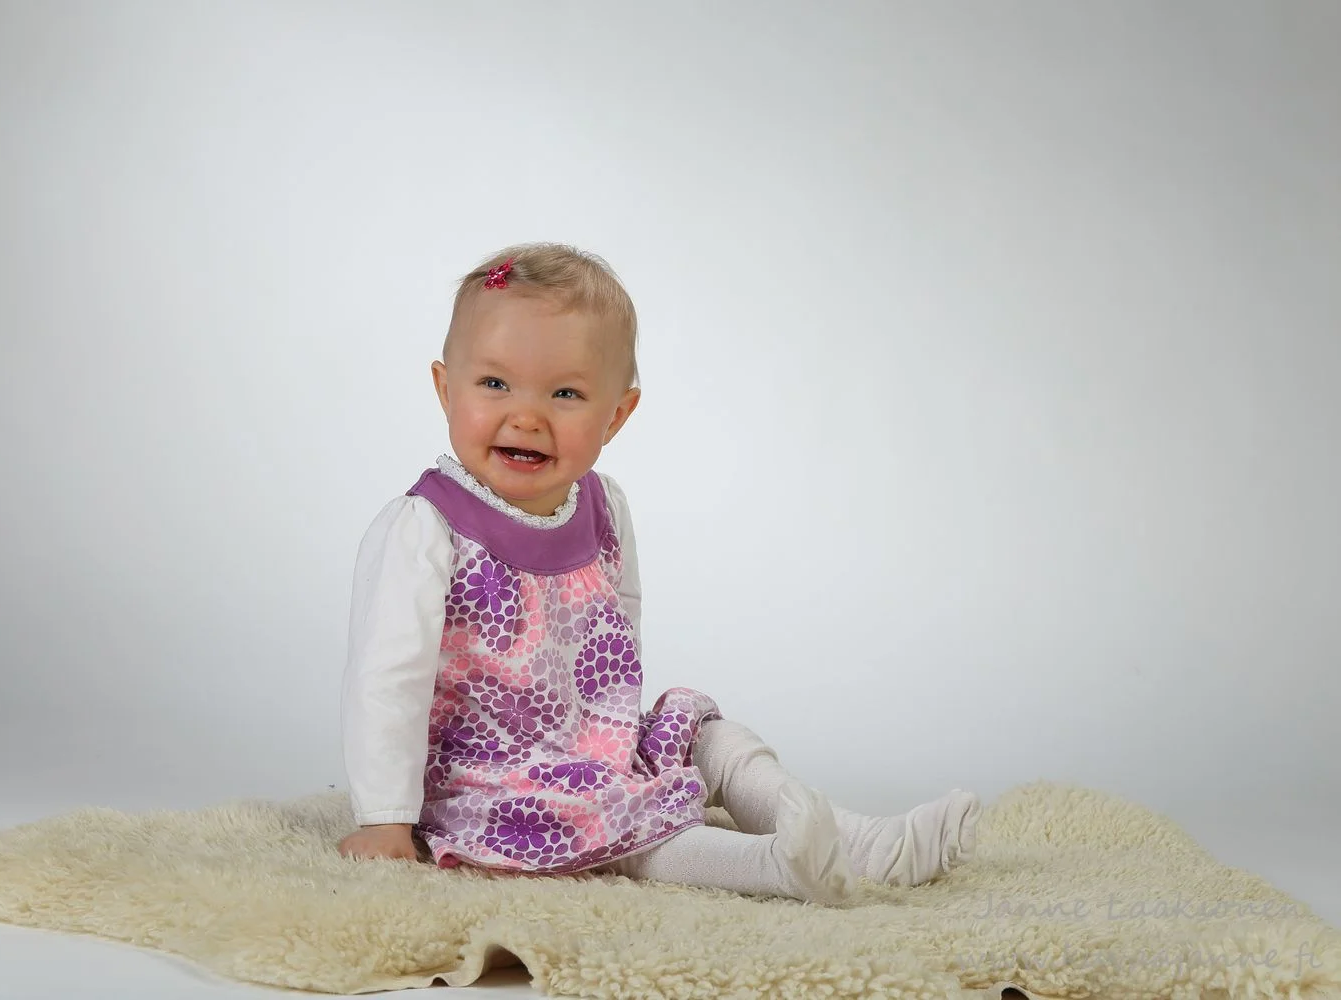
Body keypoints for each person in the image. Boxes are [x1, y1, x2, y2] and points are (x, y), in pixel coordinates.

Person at [336, 243, 980, 904]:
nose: (526, 416)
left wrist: (616, 737)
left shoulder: (603, 507)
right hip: (487, 775)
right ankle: (774, 867)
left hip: (589, 739)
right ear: (446, 389)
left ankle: (865, 845)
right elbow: (387, 680)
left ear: (616, 416)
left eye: (565, 393)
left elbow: (616, 628)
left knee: (708, 735)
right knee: (606, 815)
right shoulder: (426, 528)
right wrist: (385, 819)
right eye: (495, 384)